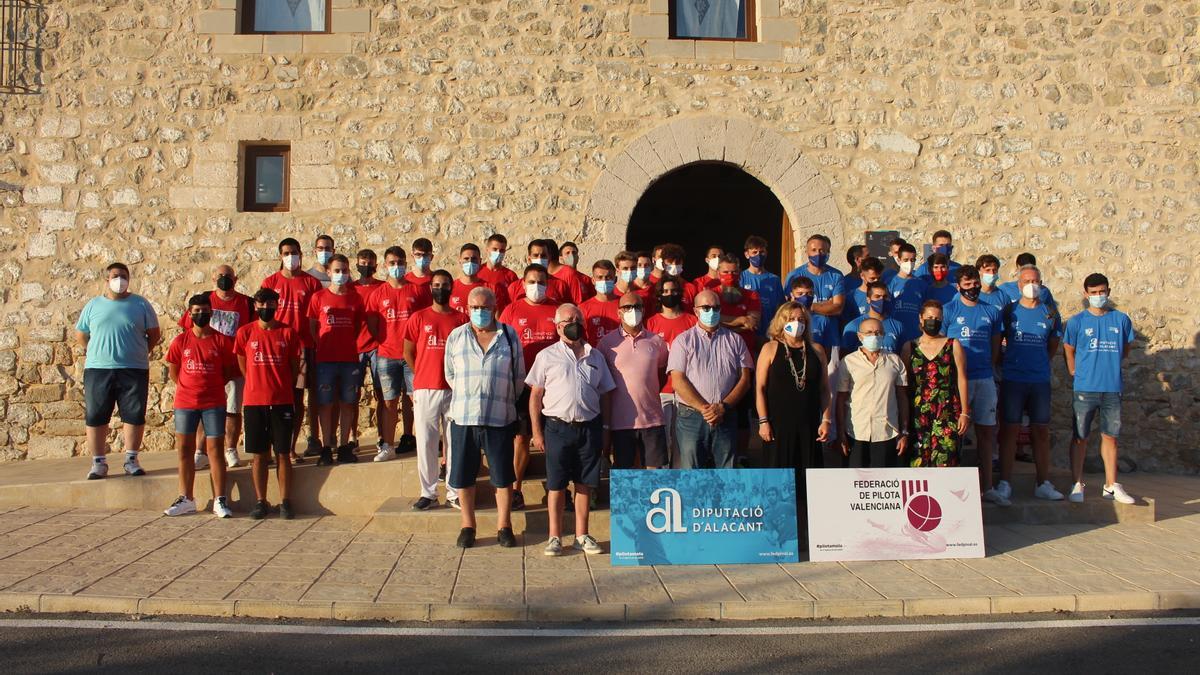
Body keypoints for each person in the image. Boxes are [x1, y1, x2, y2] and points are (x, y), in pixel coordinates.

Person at [528, 304, 615, 556]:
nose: (574, 322)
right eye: (568, 319)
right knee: (556, 485)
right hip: (557, 428)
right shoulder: (546, 356)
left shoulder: (595, 356)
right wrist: (537, 431)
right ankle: (554, 536)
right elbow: (535, 395)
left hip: (589, 428)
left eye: (577, 318)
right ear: (558, 326)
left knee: (585, 484)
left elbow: (606, 394)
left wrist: (606, 427)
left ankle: (582, 535)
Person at [444, 287, 525, 549]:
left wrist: (500, 398)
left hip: (499, 417)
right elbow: (450, 375)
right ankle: (468, 525)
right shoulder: (456, 336)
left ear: (495, 307)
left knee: (502, 476)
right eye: (475, 307)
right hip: (464, 417)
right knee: (464, 475)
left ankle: (504, 526)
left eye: (485, 307)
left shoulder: (509, 336)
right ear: (467, 309)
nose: (480, 312)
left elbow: (518, 378)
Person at [75, 262, 161, 480]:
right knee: (96, 415)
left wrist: (139, 352)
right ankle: (98, 463)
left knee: (133, 414)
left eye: (123, 276)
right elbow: (81, 334)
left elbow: (154, 334)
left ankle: (131, 460)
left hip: (133, 369)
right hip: (98, 369)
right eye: (115, 276)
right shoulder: (93, 305)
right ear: (106, 280)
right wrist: (96, 352)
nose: (119, 280)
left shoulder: (140, 304)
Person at [1063, 273, 1136, 504]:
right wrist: (1073, 369)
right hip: (1085, 388)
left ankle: (1111, 485)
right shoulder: (1077, 322)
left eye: (1101, 292)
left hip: (1112, 388)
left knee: (1111, 437)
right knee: (1080, 437)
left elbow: (1126, 348)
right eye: (1093, 293)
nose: (1098, 296)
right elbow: (1068, 346)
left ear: (1109, 291)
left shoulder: (1121, 320)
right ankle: (1077, 483)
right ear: (1086, 294)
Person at [164, 294, 237, 517]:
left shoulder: (222, 341)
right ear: (189, 313)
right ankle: (186, 498)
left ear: (211, 312)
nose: (200, 314)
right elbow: (174, 371)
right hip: (185, 403)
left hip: (213, 402)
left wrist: (210, 387)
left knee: (215, 450)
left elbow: (228, 371)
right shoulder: (180, 341)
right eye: (196, 311)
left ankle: (220, 499)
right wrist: (189, 388)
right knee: (184, 449)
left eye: (204, 310)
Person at [755, 301, 831, 513]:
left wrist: (826, 419)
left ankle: (809, 532)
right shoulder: (770, 348)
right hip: (778, 427)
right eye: (791, 319)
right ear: (782, 322)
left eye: (800, 320)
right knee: (779, 480)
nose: (796, 324)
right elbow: (760, 388)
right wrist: (763, 421)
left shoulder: (817, 350)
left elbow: (825, 389)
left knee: (809, 482)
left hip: (809, 425)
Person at [498, 264, 562, 511]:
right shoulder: (511, 310)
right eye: (532, 281)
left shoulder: (557, 309)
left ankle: (558, 487)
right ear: (523, 284)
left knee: (555, 439)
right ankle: (516, 489)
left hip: (554, 385)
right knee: (522, 438)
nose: (537, 286)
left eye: (542, 282)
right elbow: (500, 345)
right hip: (523, 384)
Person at [998, 265, 1064, 501]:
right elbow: (998, 342)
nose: (1031, 285)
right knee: (1009, 431)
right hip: (1013, 379)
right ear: (1018, 284)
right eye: (1026, 281)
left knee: (1041, 431)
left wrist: (1040, 364)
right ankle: (1004, 482)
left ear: (1042, 283)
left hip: (1039, 381)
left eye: (1035, 281)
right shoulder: (1008, 311)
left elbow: (1052, 346)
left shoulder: (1050, 313)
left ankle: (1043, 483)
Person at [177, 264, 253, 470]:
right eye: (220, 275)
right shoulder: (204, 300)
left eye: (228, 276)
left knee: (233, 410)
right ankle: (200, 452)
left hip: (234, 366)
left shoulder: (246, 303)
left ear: (236, 279)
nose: (224, 279)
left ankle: (230, 450)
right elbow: (187, 330)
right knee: (203, 410)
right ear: (212, 278)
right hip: (206, 368)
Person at [235, 288, 302, 519]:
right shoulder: (245, 333)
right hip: (254, 402)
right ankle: (260, 501)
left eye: (271, 305)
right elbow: (243, 365)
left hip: (282, 400)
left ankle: (285, 501)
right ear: (255, 306)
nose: (266, 309)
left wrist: (280, 385)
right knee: (259, 455)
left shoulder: (288, 333)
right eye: (262, 305)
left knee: (283, 453)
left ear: (277, 306)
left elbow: (294, 367)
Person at [403, 269, 468, 509]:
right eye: (437, 284)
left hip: (454, 391)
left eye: (445, 284)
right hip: (425, 389)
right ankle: (428, 493)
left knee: (454, 443)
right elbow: (408, 351)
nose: (441, 288)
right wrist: (421, 371)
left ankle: (454, 492)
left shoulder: (462, 319)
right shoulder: (418, 318)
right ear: (431, 288)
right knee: (427, 443)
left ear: (452, 288)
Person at [667, 289, 753, 469]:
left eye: (716, 307)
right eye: (706, 308)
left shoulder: (735, 340)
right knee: (692, 470)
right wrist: (705, 409)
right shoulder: (683, 341)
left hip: (726, 415)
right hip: (691, 416)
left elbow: (745, 379)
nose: (711, 312)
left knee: (726, 469)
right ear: (696, 311)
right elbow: (678, 380)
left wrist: (723, 407)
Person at [942, 265, 1006, 503]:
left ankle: (987, 487)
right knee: (955, 434)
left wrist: (988, 367)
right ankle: (953, 490)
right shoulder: (949, 310)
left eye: (975, 284)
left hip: (984, 378)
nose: (973, 288)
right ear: (958, 286)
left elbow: (996, 343)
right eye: (967, 285)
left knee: (986, 432)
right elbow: (941, 343)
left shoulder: (991, 311)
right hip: (957, 380)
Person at [260, 237, 323, 462]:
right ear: (280, 256)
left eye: (294, 252)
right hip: (274, 349)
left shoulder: (311, 283)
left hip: (303, 348)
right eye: (286, 253)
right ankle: (268, 450)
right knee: (270, 399)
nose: (290, 257)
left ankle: (289, 447)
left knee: (297, 400)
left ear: (301, 255)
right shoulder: (269, 282)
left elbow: (316, 317)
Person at [367, 246, 432, 461]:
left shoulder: (417, 291)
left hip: (412, 356)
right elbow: (373, 324)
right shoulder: (378, 294)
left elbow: (425, 320)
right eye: (392, 263)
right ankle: (387, 445)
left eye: (400, 263)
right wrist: (386, 342)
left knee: (417, 399)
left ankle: (419, 439)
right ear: (385, 265)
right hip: (386, 355)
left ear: (406, 263)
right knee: (389, 401)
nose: (397, 267)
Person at [599, 292, 670, 469]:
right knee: (626, 475)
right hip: (621, 422)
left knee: (655, 476)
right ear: (619, 313)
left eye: (637, 306)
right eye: (627, 307)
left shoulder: (656, 341)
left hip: (652, 419)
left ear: (644, 310)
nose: (633, 311)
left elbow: (660, 375)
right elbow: (603, 384)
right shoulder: (606, 344)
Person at [307, 254, 365, 465]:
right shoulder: (318, 298)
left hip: (349, 358)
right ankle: (325, 447)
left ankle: (343, 447)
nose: (341, 274)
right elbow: (314, 327)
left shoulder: (355, 298)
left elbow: (357, 326)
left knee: (348, 403)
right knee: (325, 404)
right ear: (329, 272)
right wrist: (324, 345)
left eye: (344, 271)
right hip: (326, 360)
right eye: (337, 271)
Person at [901, 300, 970, 467]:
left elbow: (961, 378)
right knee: (918, 460)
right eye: (930, 317)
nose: (933, 321)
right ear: (921, 318)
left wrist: (965, 412)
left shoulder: (953, 344)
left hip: (947, 410)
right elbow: (903, 384)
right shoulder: (909, 346)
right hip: (918, 411)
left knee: (946, 458)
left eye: (938, 318)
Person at [835, 318, 909, 467]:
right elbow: (841, 399)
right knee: (855, 482)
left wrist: (904, 431)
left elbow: (902, 397)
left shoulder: (895, 361)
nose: (874, 336)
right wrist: (841, 433)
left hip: (887, 432)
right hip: (856, 432)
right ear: (860, 336)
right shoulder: (848, 362)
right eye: (869, 332)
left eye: (878, 332)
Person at [646, 276, 699, 468]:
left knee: (682, 440)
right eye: (665, 292)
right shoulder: (651, 323)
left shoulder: (692, 321)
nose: (670, 295)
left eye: (674, 291)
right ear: (659, 296)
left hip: (687, 389)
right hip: (662, 390)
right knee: (663, 437)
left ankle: (679, 475)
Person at [350, 249, 385, 453]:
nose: (366, 265)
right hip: (355, 347)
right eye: (363, 262)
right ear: (357, 264)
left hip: (378, 347)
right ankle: (352, 436)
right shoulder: (350, 288)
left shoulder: (382, 287)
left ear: (376, 265)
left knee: (382, 394)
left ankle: (382, 436)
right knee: (353, 394)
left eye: (370, 262)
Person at [784, 234, 845, 321]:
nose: (818, 254)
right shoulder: (794, 275)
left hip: (830, 330)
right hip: (803, 329)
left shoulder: (836, 275)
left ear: (827, 252)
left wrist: (810, 306)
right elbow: (788, 306)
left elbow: (838, 308)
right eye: (813, 250)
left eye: (821, 250)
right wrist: (826, 304)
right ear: (807, 252)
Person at [740, 235, 785, 342]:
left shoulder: (774, 279)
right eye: (754, 252)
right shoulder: (740, 278)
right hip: (747, 334)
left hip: (770, 334)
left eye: (762, 252)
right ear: (747, 254)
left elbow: (781, 307)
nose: (758, 255)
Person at [841, 282, 904, 353]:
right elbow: (845, 355)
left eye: (885, 296)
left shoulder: (898, 326)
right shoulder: (854, 326)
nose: (882, 300)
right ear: (868, 299)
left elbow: (902, 355)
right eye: (877, 296)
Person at [887, 242, 929, 344]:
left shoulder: (922, 284)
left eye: (912, 260)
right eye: (906, 260)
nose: (909, 263)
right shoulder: (890, 282)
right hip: (895, 335)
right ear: (899, 260)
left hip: (916, 336)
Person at [789, 277, 838, 359]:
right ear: (792, 295)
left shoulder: (823, 321)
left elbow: (827, 355)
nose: (805, 297)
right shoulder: (784, 318)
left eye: (809, 294)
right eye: (800, 294)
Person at [449, 243, 500, 314]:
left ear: (480, 261)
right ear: (460, 261)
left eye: (474, 259)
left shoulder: (490, 289)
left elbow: (496, 319)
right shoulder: (450, 288)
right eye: (466, 259)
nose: (470, 262)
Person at [580, 259, 620, 346]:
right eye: (600, 277)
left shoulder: (624, 305)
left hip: (620, 356)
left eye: (608, 277)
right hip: (594, 357)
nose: (604, 281)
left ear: (615, 279)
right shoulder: (583, 308)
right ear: (593, 281)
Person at [842, 256, 885, 326]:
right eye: (872, 278)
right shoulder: (851, 297)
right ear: (862, 276)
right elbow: (846, 324)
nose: (876, 281)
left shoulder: (886, 295)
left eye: (879, 278)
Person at [478, 233, 518, 307]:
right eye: (495, 249)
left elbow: (515, 302)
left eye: (502, 250)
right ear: (487, 250)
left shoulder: (511, 276)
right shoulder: (477, 272)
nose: (498, 253)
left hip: (502, 317)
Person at [841, 244, 869, 311]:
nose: (871, 259)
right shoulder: (844, 283)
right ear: (858, 260)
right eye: (868, 256)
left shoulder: (874, 280)